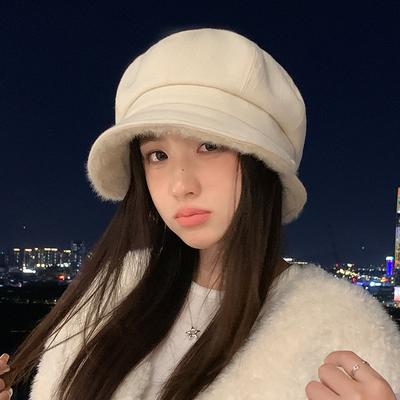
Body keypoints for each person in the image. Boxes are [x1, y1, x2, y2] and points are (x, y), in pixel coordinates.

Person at [1, 27, 400, 400]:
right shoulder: (110, 293)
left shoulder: (344, 334)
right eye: (157, 155)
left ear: (263, 164)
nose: (180, 184)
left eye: (209, 146)